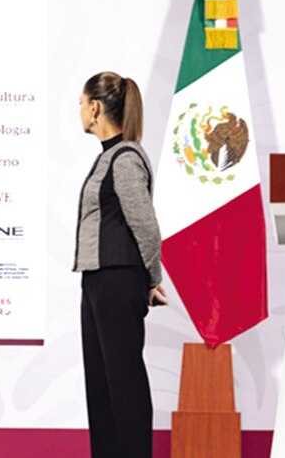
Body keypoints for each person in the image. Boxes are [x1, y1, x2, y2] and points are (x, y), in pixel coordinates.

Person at [73, 71, 167, 458]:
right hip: (98, 280)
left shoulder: (125, 158)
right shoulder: (108, 157)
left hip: (116, 280)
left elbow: (146, 225)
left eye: (81, 104)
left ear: (95, 108)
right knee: (102, 388)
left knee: (124, 385)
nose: (80, 111)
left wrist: (151, 279)